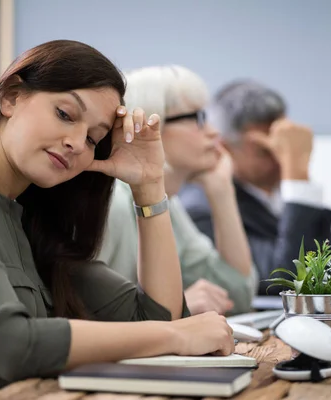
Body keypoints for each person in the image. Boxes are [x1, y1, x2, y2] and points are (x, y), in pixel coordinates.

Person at [0, 41, 236, 400]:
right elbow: (9, 345)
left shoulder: (31, 218)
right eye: (65, 114)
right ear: (11, 96)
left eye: (94, 138)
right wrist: (178, 337)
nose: (77, 142)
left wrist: (150, 185)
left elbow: (159, 318)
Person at [97, 66, 257, 316]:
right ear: (149, 124)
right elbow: (80, 313)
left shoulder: (168, 203)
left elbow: (237, 294)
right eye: (197, 118)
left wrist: (221, 191)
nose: (214, 132)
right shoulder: (112, 203)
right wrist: (177, 307)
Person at [179, 79, 331, 295]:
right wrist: (298, 176)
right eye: (266, 151)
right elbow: (286, 283)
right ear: (224, 149)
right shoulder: (202, 207)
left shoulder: (278, 196)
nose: (281, 159)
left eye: (284, 147)